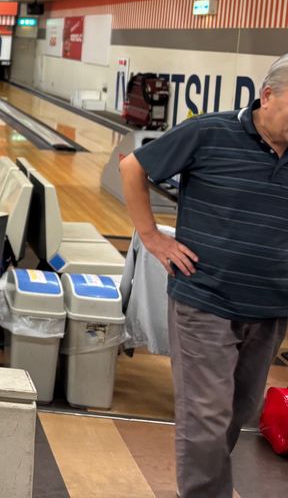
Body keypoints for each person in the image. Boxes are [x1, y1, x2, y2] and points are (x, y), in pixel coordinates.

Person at [119, 54, 288, 498]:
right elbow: (133, 167)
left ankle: (203, 484)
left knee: (237, 412)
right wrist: (152, 237)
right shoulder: (210, 132)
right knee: (207, 416)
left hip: (271, 306)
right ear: (268, 95)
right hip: (205, 298)